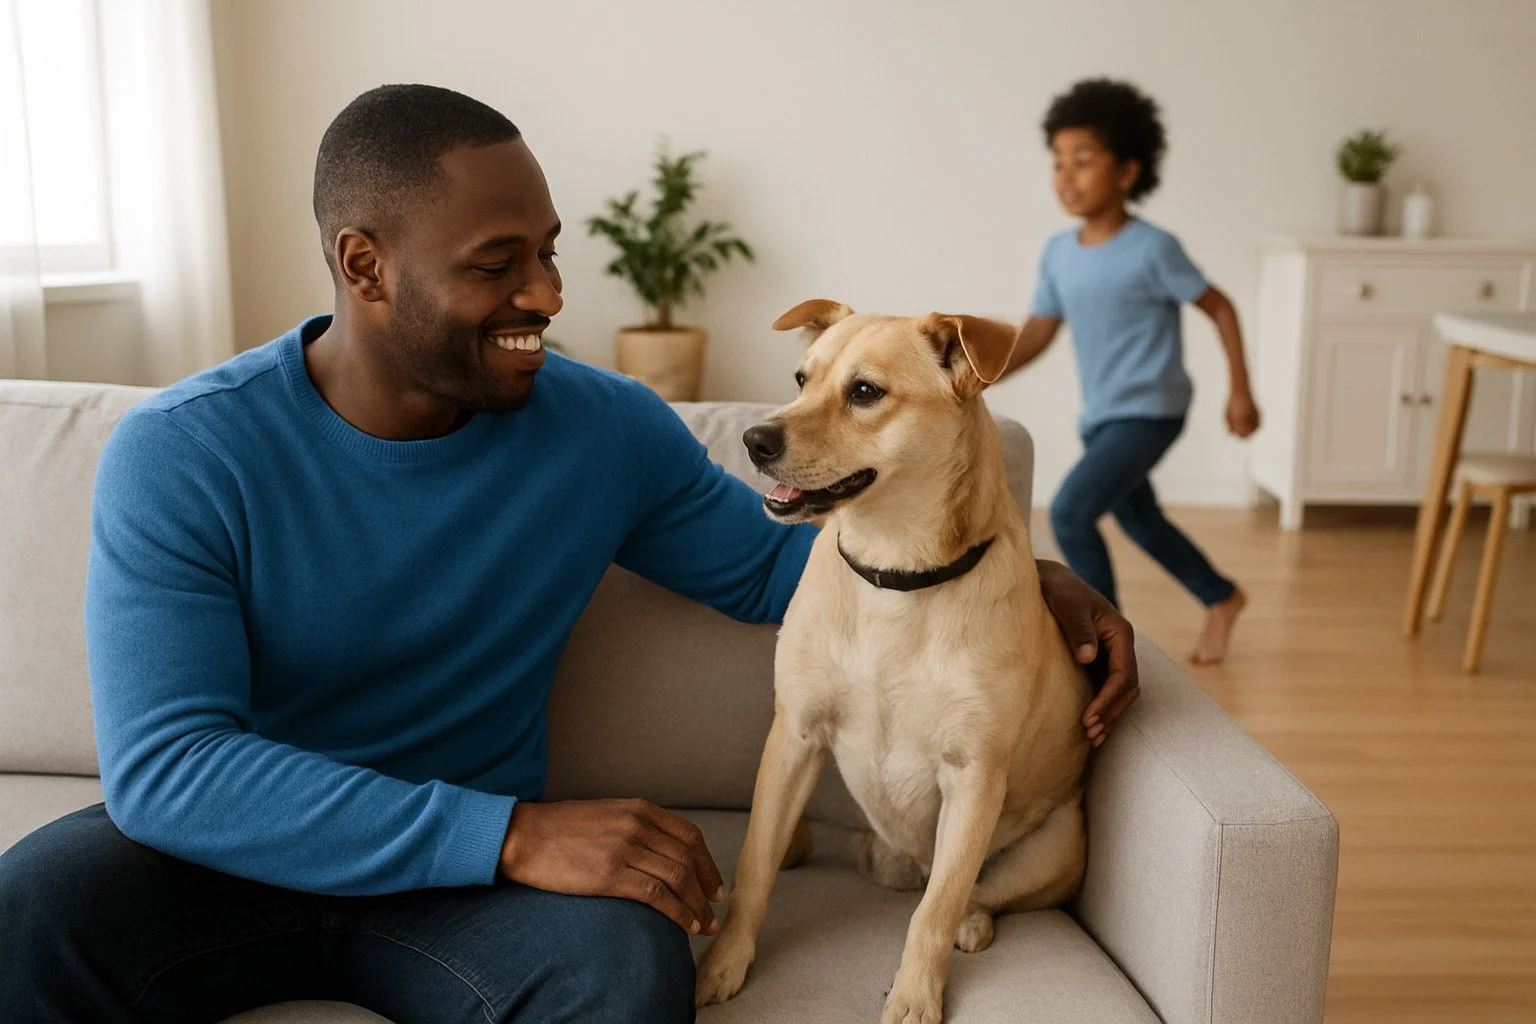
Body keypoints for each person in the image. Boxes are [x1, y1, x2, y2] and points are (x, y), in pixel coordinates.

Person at [0, 85, 1140, 1024]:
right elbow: (170, 771)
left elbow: (782, 570)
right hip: (236, 864)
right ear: (365, 266)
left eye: (548, 253)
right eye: (499, 264)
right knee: (21, 912)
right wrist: (513, 833)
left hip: (465, 898)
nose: (546, 295)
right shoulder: (185, 452)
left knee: (629, 973)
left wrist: (1026, 583)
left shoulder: (603, 429)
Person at [1001, 77, 1260, 665]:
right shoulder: (1058, 253)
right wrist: (975, 375)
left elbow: (1219, 307)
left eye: (1084, 160)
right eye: (1059, 162)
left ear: (1127, 171)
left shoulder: (1153, 248)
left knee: (1070, 511)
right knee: (1139, 518)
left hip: (1152, 410)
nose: (1066, 175)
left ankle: (1104, 640)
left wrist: (1240, 392)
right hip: (1103, 414)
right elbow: (1038, 332)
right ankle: (1221, 597)